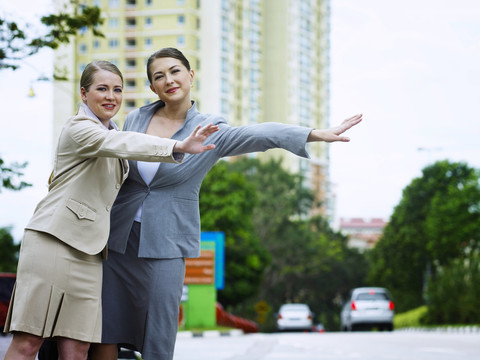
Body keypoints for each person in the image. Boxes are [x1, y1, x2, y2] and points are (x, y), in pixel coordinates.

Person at [90, 47, 363, 360]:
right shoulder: (136, 118)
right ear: (152, 87)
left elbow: (260, 134)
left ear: (190, 75)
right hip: (120, 235)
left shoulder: (211, 129)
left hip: (168, 238)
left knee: (160, 326)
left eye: (175, 71)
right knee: (107, 323)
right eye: (159, 76)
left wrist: (314, 133)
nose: (169, 80)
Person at [2, 60, 219, 360]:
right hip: (54, 242)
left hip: (92, 255)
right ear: (83, 93)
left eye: (117, 90)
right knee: (28, 343)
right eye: (101, 89)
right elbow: (121, 142)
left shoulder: (112, 135)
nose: (110, 96)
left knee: (77, 350)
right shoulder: (80, 128)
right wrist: (177, 146)